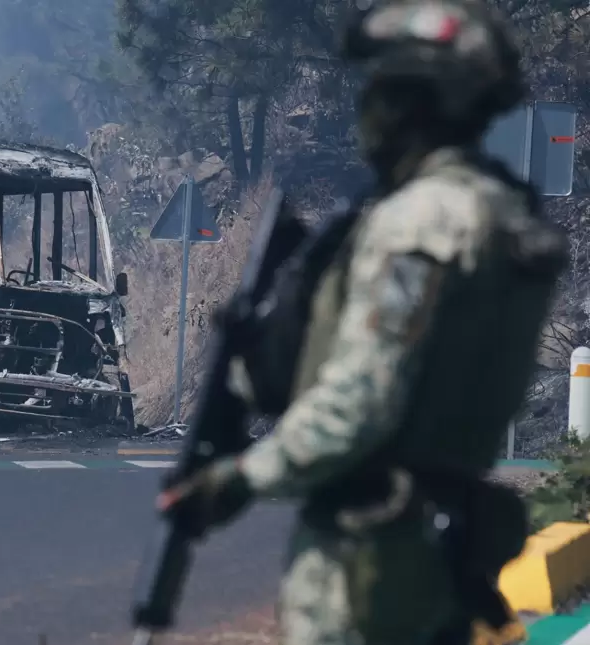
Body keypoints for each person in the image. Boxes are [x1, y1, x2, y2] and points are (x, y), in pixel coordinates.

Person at [155, 1, 569, 643]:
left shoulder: (422, 223)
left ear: (414, 99)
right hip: (443, 546)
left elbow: (363, 400)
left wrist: (240, 479)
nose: (369, 108)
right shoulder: (505, 216)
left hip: (370, 558)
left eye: (384, 87)